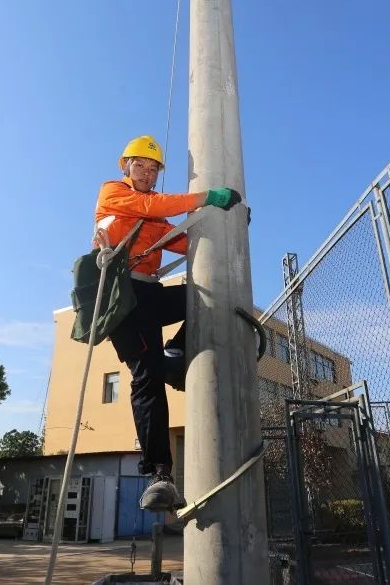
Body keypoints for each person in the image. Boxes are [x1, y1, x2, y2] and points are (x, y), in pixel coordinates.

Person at [95, 134, 241, 511]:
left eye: (153, 168)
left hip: (149, 293)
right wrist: (207, 197)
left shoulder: (156, 221)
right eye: (139, 165)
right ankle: (159, 473)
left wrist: (231, 224)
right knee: (146, 375)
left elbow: (190, 241)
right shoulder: (113, 193)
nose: (146, 172)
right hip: (121, 299)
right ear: (125, 167)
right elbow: (154, 205)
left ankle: (176, 351)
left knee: (207, 298)